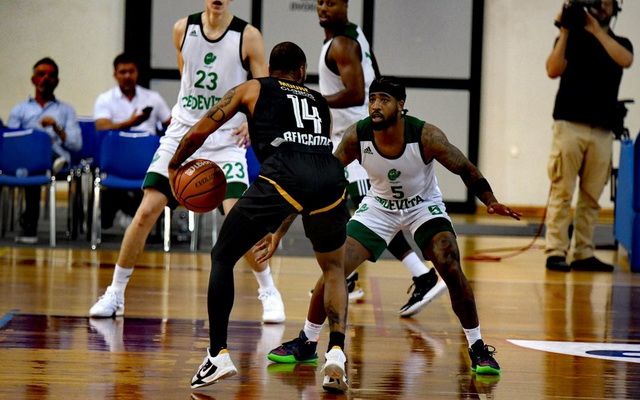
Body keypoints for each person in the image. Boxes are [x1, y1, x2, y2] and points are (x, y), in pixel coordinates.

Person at [266, 77, 522, 377]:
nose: (375, 105)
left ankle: (477, 346)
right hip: (380, 206)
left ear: (401, 105)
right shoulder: (357, 136)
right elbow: (318, 181)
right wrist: (280, 229)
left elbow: (464, 168)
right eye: (373, 99)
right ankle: (307, 342)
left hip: (422, 205)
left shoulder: (425, 135)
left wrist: (490, 201)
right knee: (334, 268)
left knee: (449, 262)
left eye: (384, 99)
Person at [168, 42, 351, 393]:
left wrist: (176, 164)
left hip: (283, 174)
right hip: (330, 178)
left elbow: (201, 129)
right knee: (333, 269)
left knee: (223, 255)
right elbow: (310, 169)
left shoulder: (253, 87)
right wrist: (279, 230)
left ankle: (217, 355)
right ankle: (337, 352)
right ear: (302, 71)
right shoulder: (319, 101)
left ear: (269, 69)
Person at [89, 0, 285, 325]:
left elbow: (262, 89)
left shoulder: (247, 36)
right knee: (146, 211)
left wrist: (252, 122)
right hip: (183, 133)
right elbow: (186, 78)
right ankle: (115, 293)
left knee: (239, 217)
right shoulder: (182, 28)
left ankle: (268, 291)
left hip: (225, 138)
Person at [316, 0, 445, 315]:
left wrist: (316, 100)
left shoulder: (342, 44)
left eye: (331, 2)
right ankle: (349, 278)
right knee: (348, 207)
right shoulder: (353, 34)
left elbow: (357, 92)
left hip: (359, 138)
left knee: (372, 212)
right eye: (319, 1)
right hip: (352, 135)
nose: (323, 7)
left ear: (346, 4)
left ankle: (423, 274)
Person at [544, 0, 633, 272]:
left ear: (615, 8)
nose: (601, 6)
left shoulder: (620, 42)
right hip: (569, 125)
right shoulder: (571, 38)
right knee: (562, 191)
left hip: (603, 130)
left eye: (607, 2)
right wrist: (565, 29)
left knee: (592, 197)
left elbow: (626, 60)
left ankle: (583, 252)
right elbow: (552, 70)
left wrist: (596, 31)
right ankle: (556, 251)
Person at [93, 52, 173, 229]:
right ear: (115, 74)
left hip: (147, 162)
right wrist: (130, 123)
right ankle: (126, 211)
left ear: (137, 73)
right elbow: (101, 126)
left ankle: (134, 214)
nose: (127, 76)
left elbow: (171, 123)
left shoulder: (153, 98)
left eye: (131, 71)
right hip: (117, 162)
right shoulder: (105, 99)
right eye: (123, 72)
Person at [7, 57, 82, 244]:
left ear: (57, 81)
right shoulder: (20, 110)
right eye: (41, 74)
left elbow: (76, 144)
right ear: (33, 79)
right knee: (33, 160)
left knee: (38, 163)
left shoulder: (66, 111)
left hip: (57, 154)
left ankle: (29, 227)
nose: (46, 79)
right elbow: (12, 141)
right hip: (26, 158)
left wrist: (56, 127)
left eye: (51, 75)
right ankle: (46, 164)